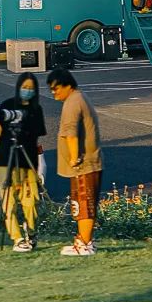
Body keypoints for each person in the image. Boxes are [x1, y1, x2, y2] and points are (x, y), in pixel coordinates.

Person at [47, 68, 103, 257]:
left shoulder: (73, 102)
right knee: (81, 204)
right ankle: (82, 240)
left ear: (67, 85)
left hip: (84, 164)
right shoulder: (78, 98)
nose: (54, 92)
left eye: (56, 88)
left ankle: (84, 244)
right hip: (89, 162)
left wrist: (74, 157)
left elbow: (70, 133)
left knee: (84, 204)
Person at [0, 72, 46, 253]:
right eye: (25, 87)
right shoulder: (6, 106)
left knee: (31, 202)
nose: (27, 91)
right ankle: (17, 238)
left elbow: (37, 138)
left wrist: (37, 166)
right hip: (5, 160)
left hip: (27, 161)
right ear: (18, 87)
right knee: (9, 203)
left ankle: (31, 233)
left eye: (31, 88)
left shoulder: (36, 109)